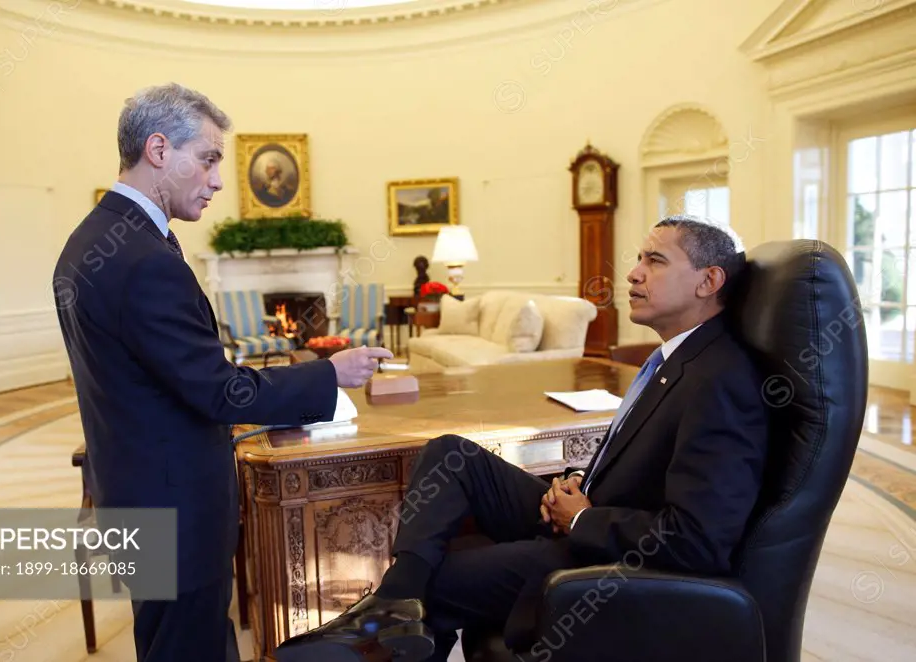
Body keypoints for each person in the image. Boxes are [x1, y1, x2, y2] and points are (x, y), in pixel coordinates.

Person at [274, 216, 769, 662]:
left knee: (440, 580)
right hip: (587, 511)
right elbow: (641, 466)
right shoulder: (673, 361)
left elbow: (700, 540)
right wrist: (577, 482)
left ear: (709, 280)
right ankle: (392, 605)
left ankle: (385, 620)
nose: (634, 272)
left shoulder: (721, 381)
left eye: (655, 261)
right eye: (639, 258)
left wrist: (583, 518)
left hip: (605, 559)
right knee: (449, 454)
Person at [52, 82, 392, 662]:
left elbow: (172, 373)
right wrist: (327, 374)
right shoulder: (142, 259)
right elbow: (218, 391)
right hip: (175, 510)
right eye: (208, 159)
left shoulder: (96, 239)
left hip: (136, 495)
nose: (216, 179)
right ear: (159, 150)